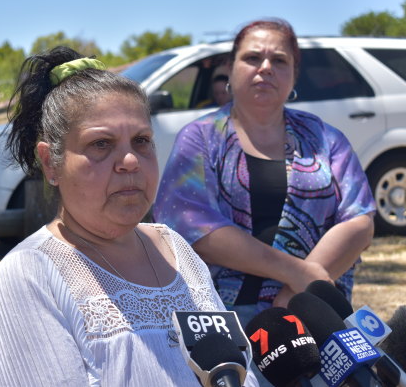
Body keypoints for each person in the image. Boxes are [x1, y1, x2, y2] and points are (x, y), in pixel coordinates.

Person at [0, 46, 258, 386]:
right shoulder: (30, 275)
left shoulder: (178, 249)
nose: (130, 161)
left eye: (142, 140)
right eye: (101, 144)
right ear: (50, 163)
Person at [153, 18, 376, 329]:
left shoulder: (326, 138)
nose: (266, 67)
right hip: (223, 317)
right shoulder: (200, 138)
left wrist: (296, 291)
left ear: (295, 75)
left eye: (279, 60)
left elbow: (359, 219)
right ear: (230, 69)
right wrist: (294, 272)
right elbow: (191, 225)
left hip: (315, 312)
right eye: (253, 57)